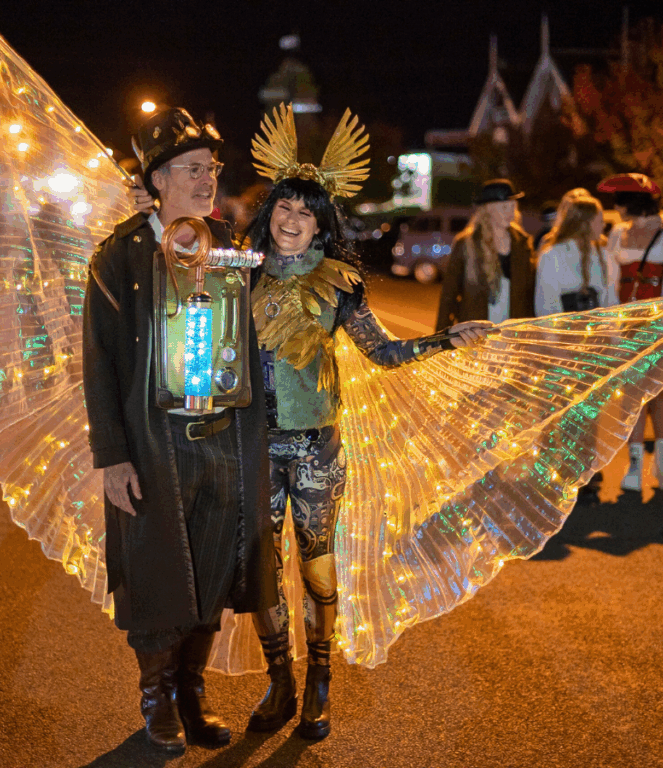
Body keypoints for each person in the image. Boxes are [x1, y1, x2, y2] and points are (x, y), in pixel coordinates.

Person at [242, 104, 490, 739]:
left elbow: (381, 351)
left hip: (316, 448)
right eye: (284, 208)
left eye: (306, 213)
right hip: (250, 448)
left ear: (323, 228)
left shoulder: (341, 284)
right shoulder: (234, 278)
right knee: (260, 571)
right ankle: (281, 682)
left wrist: (446, 340)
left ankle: (320, 680)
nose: (291, 221)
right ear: (269, 213)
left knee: (316, 566)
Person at [82, 107, 276, 754]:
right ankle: (156, 697)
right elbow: (100, 360)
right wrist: (112, 457)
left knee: (217, 571)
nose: (206, 179)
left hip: (225, 440)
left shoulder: (231, 248)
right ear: (158, 179)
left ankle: (192, 688)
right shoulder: (121, 256)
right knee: (158, 572)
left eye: (211, 168)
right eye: (191, 169)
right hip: (152, 446)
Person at [598, 173, 663, 491]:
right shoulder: (618, 233)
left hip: (660, 325)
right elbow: (611, 284)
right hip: (626, 325)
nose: (616, 208)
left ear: (630, 202)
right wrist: (613, 329)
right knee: (633, 394)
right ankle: (635, 462)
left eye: (619, 201)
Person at [534, 192, 617, 504]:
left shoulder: (603, 255)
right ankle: (559, 473)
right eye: (598, 218)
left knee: (586, 409)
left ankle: (582, 473)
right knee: (560, 409)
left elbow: (610, 304)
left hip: (590, 343)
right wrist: (557, 349)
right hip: (567, 341)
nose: (603, 223)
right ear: (584, 222)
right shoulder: (553, 255)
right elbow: (547, 306)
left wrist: (615, 342)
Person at [436, 179, 536, 331]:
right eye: (504, 207)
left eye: (512, 206)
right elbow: (448, 296)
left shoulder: (522, 243)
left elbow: (530, 296)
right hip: (476, 337)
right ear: (488, 209)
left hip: (513, 335)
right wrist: (439, 339)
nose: (510, 212)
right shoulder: (466, 243)